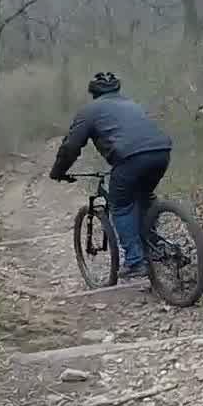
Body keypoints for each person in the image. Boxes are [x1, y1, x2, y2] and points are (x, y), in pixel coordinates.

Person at [49, 72, 174, 280]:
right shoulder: (133, 104)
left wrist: (58, 172)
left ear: (93, 93)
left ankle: (135, 261)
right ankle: (154, 246)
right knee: (144, 196)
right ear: (117, 89)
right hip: (162, 152)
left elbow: (71, 147)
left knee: (121, 205)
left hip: (130, 159)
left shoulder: (89, 112)